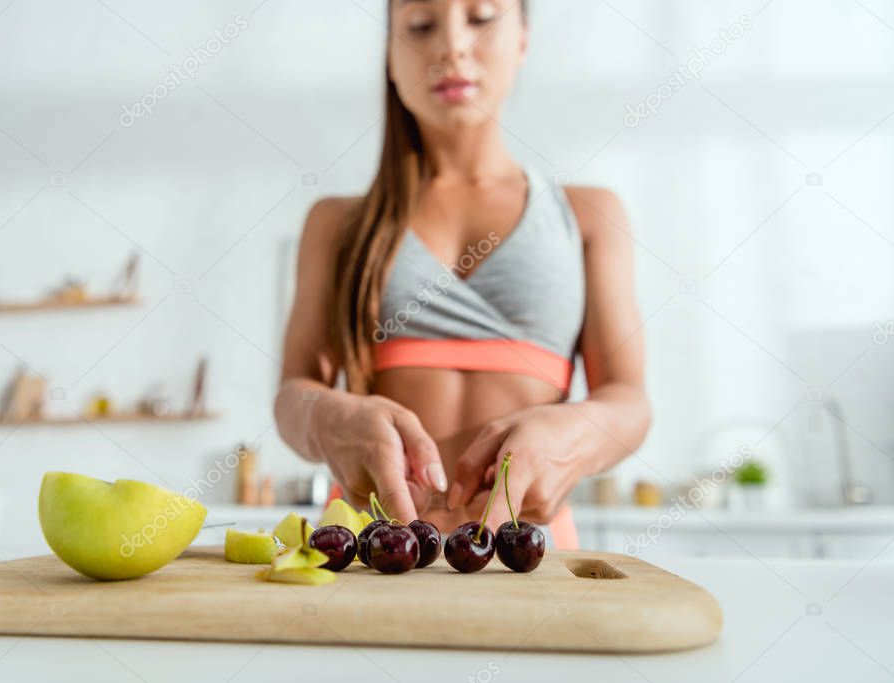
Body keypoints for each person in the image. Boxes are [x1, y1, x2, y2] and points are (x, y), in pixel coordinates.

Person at [275, 0, 650, 548]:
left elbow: (630, 401)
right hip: (371, 553)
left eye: (480, 17)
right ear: (390, 56)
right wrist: (325, 417)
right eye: (421, 26)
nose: (451, 46)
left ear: (523, 39)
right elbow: (292, 394)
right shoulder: (336, 224)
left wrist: (577, 432)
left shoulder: (590, 216)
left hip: (524, 556)